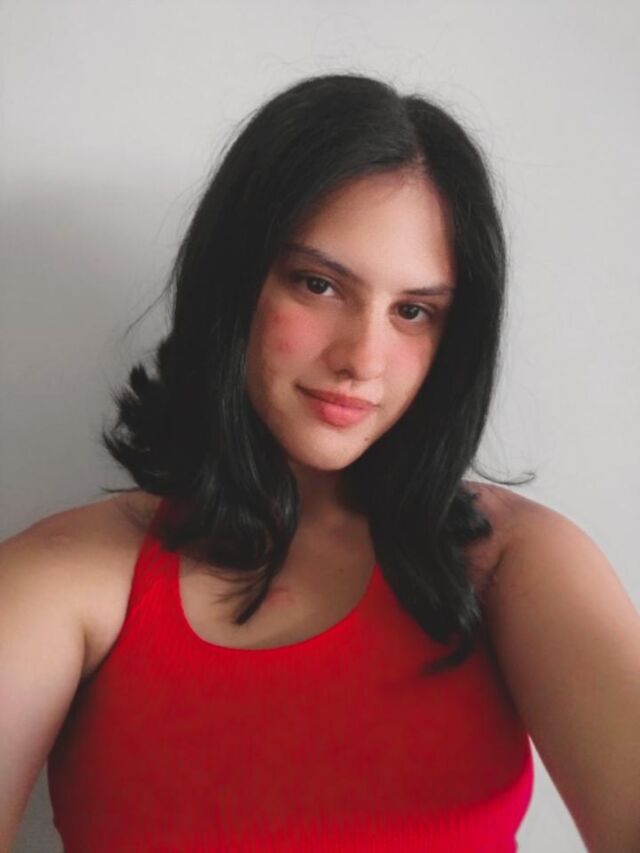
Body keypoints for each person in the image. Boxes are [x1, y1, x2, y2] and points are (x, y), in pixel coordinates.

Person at [1, 73, 638, 853]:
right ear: (233, 281)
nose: (362, 358)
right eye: (320, 284)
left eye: (413, 311)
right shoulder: (65, 576)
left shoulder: (515, 562)